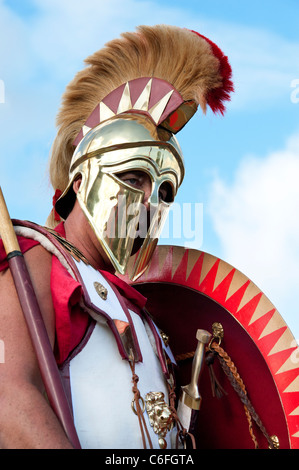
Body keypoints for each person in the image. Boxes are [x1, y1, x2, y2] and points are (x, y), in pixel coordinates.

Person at [0, 25, 233, 449]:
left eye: (164, 191)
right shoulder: (37, 260)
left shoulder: (148, 318)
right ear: (82, 177)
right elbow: (7, 398)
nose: (148, 203)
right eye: (133, 177)